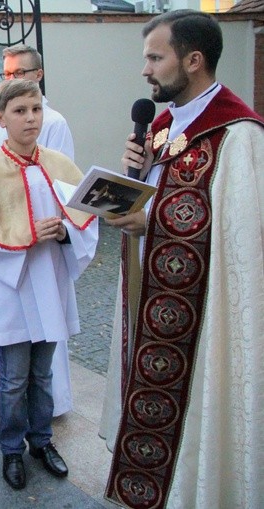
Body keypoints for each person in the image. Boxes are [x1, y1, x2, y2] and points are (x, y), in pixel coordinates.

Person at [99, 10, 264, 509]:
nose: (145, 70)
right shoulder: (162, 126)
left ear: (193, 60)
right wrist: (132, 186)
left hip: (206, 319)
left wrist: (155, 222)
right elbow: (161, 197)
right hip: (151, 301)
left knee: (198, 418)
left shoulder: (240, 136)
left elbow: (245, 239)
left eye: (155, 57)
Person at [0, 79, 98, 490]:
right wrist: (24, 236)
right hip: (12, 287)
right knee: (13, 379)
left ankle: (42, 441)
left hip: (49, 281)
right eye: (20, 111)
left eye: (36, 109)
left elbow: (87, 217)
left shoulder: (60, 165)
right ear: (1, 119)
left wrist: (67, 233)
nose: (30, 117)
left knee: (43, 374)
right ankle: (11, 449)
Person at [0, 45, 77, 414]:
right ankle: (8, 388)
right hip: (6, 240)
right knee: (11, 337)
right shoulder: (1, 119)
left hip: (43, 243)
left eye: (19, 72)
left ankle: (52, 406)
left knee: (47, 334)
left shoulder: (53, 123)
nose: (12, 79)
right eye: (6, 74)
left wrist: (60, 228)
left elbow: (63, 183)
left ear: (37, 74)